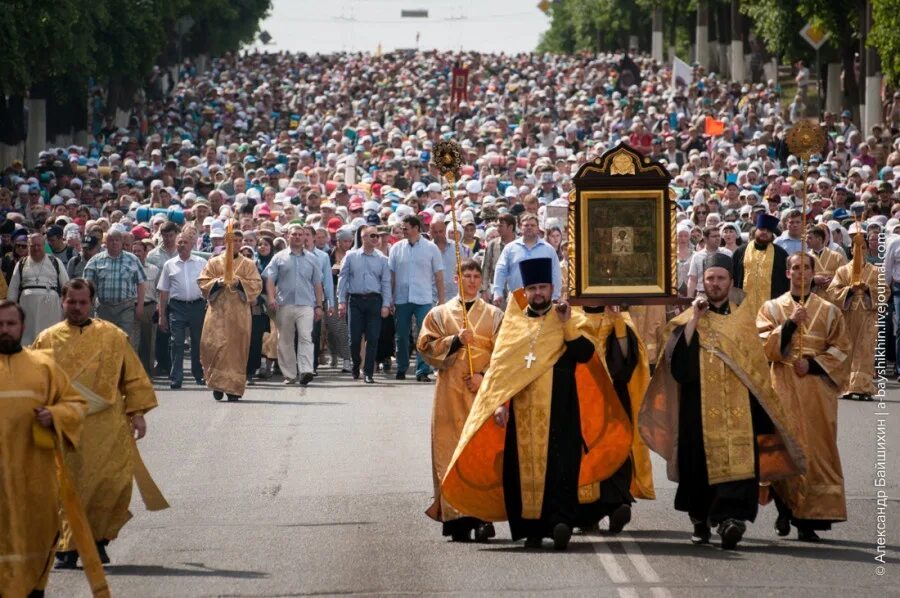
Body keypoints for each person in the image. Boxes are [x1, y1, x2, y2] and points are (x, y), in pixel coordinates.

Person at [441, 258, 632, 550]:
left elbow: (583, 354)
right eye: (532, 288)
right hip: (522, 412)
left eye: (542, 287)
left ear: (552, 288)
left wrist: (567, 325)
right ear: (525, 290)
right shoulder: (513, 324)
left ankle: (560, 523)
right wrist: (501, 404)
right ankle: (530, 530)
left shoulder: (568, 317)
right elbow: (502, 370)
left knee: (562, 469)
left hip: (562, 409)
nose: (538, 293)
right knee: (520, 471)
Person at [641, 255, 805, 549]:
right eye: (710, 279)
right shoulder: (686, 320)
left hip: (739, 408)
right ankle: (701, 520)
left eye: (720, 279)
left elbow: (756, 368)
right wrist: (694, 318)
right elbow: (678, 367)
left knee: (741, 462)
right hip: (696, 407)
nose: (715, 284)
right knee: (698, 466)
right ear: (702, 283)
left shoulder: (744, 320)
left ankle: (733, 519)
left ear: (731, 282)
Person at [32, 278, 162, 568]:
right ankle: (67, 547)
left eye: (82, 302)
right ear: (63, 302)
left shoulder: (113, 336)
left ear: (91, 303)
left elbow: (133, 375)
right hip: (64, 425)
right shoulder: (47, 338)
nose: (77, 307)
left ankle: (98, 541)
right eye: (71, 302)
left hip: (108, 424)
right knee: (67, 485)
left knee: (110, 483)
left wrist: (137, 412)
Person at [757, 253, 851, 542]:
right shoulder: (772, 308)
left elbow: (842, 349)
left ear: (813, 272)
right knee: (783, 447)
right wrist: (788, 325)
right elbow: (762, 346)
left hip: (815, 391)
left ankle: (807, 519)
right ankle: (786, 509)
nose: (801, 273)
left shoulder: (830, 310)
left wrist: (813, 364)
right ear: (787, 273)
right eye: (795, 268)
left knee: (814, 450)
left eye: (806, 268)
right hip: (782, 386)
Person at [0, 300, 86, 598]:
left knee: (35, 544)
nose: (4, 330)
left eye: (10, 324)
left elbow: (74, 404)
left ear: (22, 328)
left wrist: (56, 415)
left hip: (34, 477)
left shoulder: (43, 366)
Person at [417, 259, 503, 541]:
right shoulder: (439, 314)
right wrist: (455, 340)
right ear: (457, 279)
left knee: (481, 453)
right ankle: (456, 517)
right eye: (467, 276)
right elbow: (425, 346)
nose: (472, 281)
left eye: (477, 276)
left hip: (481, 392)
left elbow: (505, 356)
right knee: (451, 451)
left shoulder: (494, 314)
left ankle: (482, 516)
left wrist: (483, 376)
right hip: (450, 394)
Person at [575, 306, 655, 534]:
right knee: (584, 454)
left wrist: (618, 321)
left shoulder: (620, 319)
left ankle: (617, 506)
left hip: (613, 400)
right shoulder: (571, 317)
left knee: (616, 450)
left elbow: (625, 365)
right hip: (582, 401)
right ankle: (587, 515)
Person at [197, 224, 263, 401]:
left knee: (236, 349)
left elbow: (256, 285)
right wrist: (217, 282)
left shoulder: (248, 264)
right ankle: (217, 384)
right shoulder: (214, 262)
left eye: (239, 241)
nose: (237, 243)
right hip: (217, 312)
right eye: (233, 240)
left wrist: (239, 283)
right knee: (214, 346)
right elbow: (203, 281)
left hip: (239, 314)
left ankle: (233, 388)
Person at [264, 223, 324, 386]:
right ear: (288, 237)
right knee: (285, 339)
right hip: (284, 304)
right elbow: (270, 279)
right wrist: (271, 298)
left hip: (306, 305)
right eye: (294, 234)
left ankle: (305, 371)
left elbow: (318, 283)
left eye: (300, 234)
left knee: (306, 336)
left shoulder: (312, 259)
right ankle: (290, 374)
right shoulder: (279, 257)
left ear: (305, 237)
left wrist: (319, 305)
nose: (297, 237)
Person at [389, 214, 445, 381]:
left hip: (423, 298)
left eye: (406, 228)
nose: (403, 231)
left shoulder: (431, 248)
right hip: (401, 299)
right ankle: (401, 367)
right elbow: (391, 276)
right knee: (401, 335)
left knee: (424, 335)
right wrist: (390, 299)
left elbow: (439, 276)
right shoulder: (396, 248)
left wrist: (441, 300)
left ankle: (422, 370)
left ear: (416, 228)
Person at [827, 231, 881, 401]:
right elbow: (832, 291)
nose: (859, 251)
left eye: (863, 248)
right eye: (856, 248)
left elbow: (883, 292)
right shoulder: (843, 271)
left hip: (867, 315)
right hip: (848, 315)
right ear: (851, 251)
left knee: (865, 351)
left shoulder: (875, 271)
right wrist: (848, 290)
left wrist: (868, 290)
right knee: (847, 349)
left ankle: (863, 387)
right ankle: (846, 386)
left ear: (866, 250)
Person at [337, 224, 392, 382]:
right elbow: (343, 279)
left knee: (373, 338)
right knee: (354, 338)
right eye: (372, 236)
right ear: (363, 238)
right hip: (355, 300)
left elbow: (386, 282)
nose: (376, 238)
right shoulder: (351, 256)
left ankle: (368, 372)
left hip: (375, 300)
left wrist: (386, 304)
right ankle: (356, 365)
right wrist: (341, 301)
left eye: (377, 236)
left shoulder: (382, 259)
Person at [157, 233, 208, 389]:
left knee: (197, 342)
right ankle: (176, 377)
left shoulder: (201, 262)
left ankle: (199, 375)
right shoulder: (169, 264)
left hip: (197, 305)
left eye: (185, 242)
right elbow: (164, 291)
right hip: (177, 307)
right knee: (177, 342)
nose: (182, 245)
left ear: (192, 245)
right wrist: (162, 316)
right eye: (179, 242)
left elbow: (208, 285)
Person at [82, 228, 147, 351]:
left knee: (123, 341)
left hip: (126, 308)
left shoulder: (132, 259)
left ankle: (122, 369)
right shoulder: (96, 260)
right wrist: (87, 306)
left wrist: (140, 306)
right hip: (103, 309)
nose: (114, 243)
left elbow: (141, 283)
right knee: (104, 342)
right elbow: (87, 285)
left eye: (117, 240)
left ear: (122, 242)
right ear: (106, 243)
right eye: (111, 240)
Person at [7, 232, 68, 344]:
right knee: (28, 342)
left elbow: (66, 286)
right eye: (32, 246)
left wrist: (66, 311)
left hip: (51, 310)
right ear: (29, 247)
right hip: (27, 309)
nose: (36, 248)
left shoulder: (55, 262)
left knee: (50, 340)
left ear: (43, 246)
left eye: (38, 245)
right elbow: (13, 289)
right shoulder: (21, 263)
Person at [491, 213, 562, 304]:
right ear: (520, 227)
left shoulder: (548, 249)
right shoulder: (510, 248)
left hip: (541, 298)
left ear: (537, 228)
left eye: (532, 225)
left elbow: (555, 274)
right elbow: (500, 270)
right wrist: (497, 292)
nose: (529, 227)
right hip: (517, 297)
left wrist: (555, 296)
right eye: (526, 225)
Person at [732, 213, 790, 316]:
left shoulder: (781, 254)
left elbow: (787, 281)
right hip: (742, 309)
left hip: (772, 309)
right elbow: (732, 278)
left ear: (772, 234)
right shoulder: (740, 252)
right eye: (762, 229)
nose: (765, 233)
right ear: (756, 230)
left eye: (768, 231)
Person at [146, 221, 180, 376]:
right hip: (160, 297)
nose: (168, 239)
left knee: (177, 335)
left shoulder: (182, 251)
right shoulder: (153, 256)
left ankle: (175, 365)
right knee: (161, 333)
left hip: (179, 297)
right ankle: (163, 364)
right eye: (164, 235)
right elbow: (151, 279)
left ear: (176, 235)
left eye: (171, 235)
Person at [132, 240, 159, 376]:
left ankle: (147, 372)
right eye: (134, 251)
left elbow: (159, 290)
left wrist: (159, 309)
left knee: (149, 341)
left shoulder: (154, 270)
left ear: (145, 253)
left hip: (149, 307)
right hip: (132, 306)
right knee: (133, 341)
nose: (137, 254)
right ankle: (133, 374)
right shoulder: (128, 268)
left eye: (139, 251)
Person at [480, 213, 516, 304]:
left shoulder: (520, 244)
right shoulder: (492, 245)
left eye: (501, 226)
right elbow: (485, 268)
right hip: (497, 291)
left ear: (510, 227)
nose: (498, 229)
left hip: (517, 290)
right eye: (497, 226)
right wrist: (483, 290)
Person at [807, 225, 847, 299]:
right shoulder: (805, 258)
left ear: (819, 239)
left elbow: (845, 276)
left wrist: (833, 281)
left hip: (833, 298)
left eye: (810, 238)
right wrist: (814, 280)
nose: (806, 240)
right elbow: (802, 278)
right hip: (814, 299)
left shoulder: (837, 256)